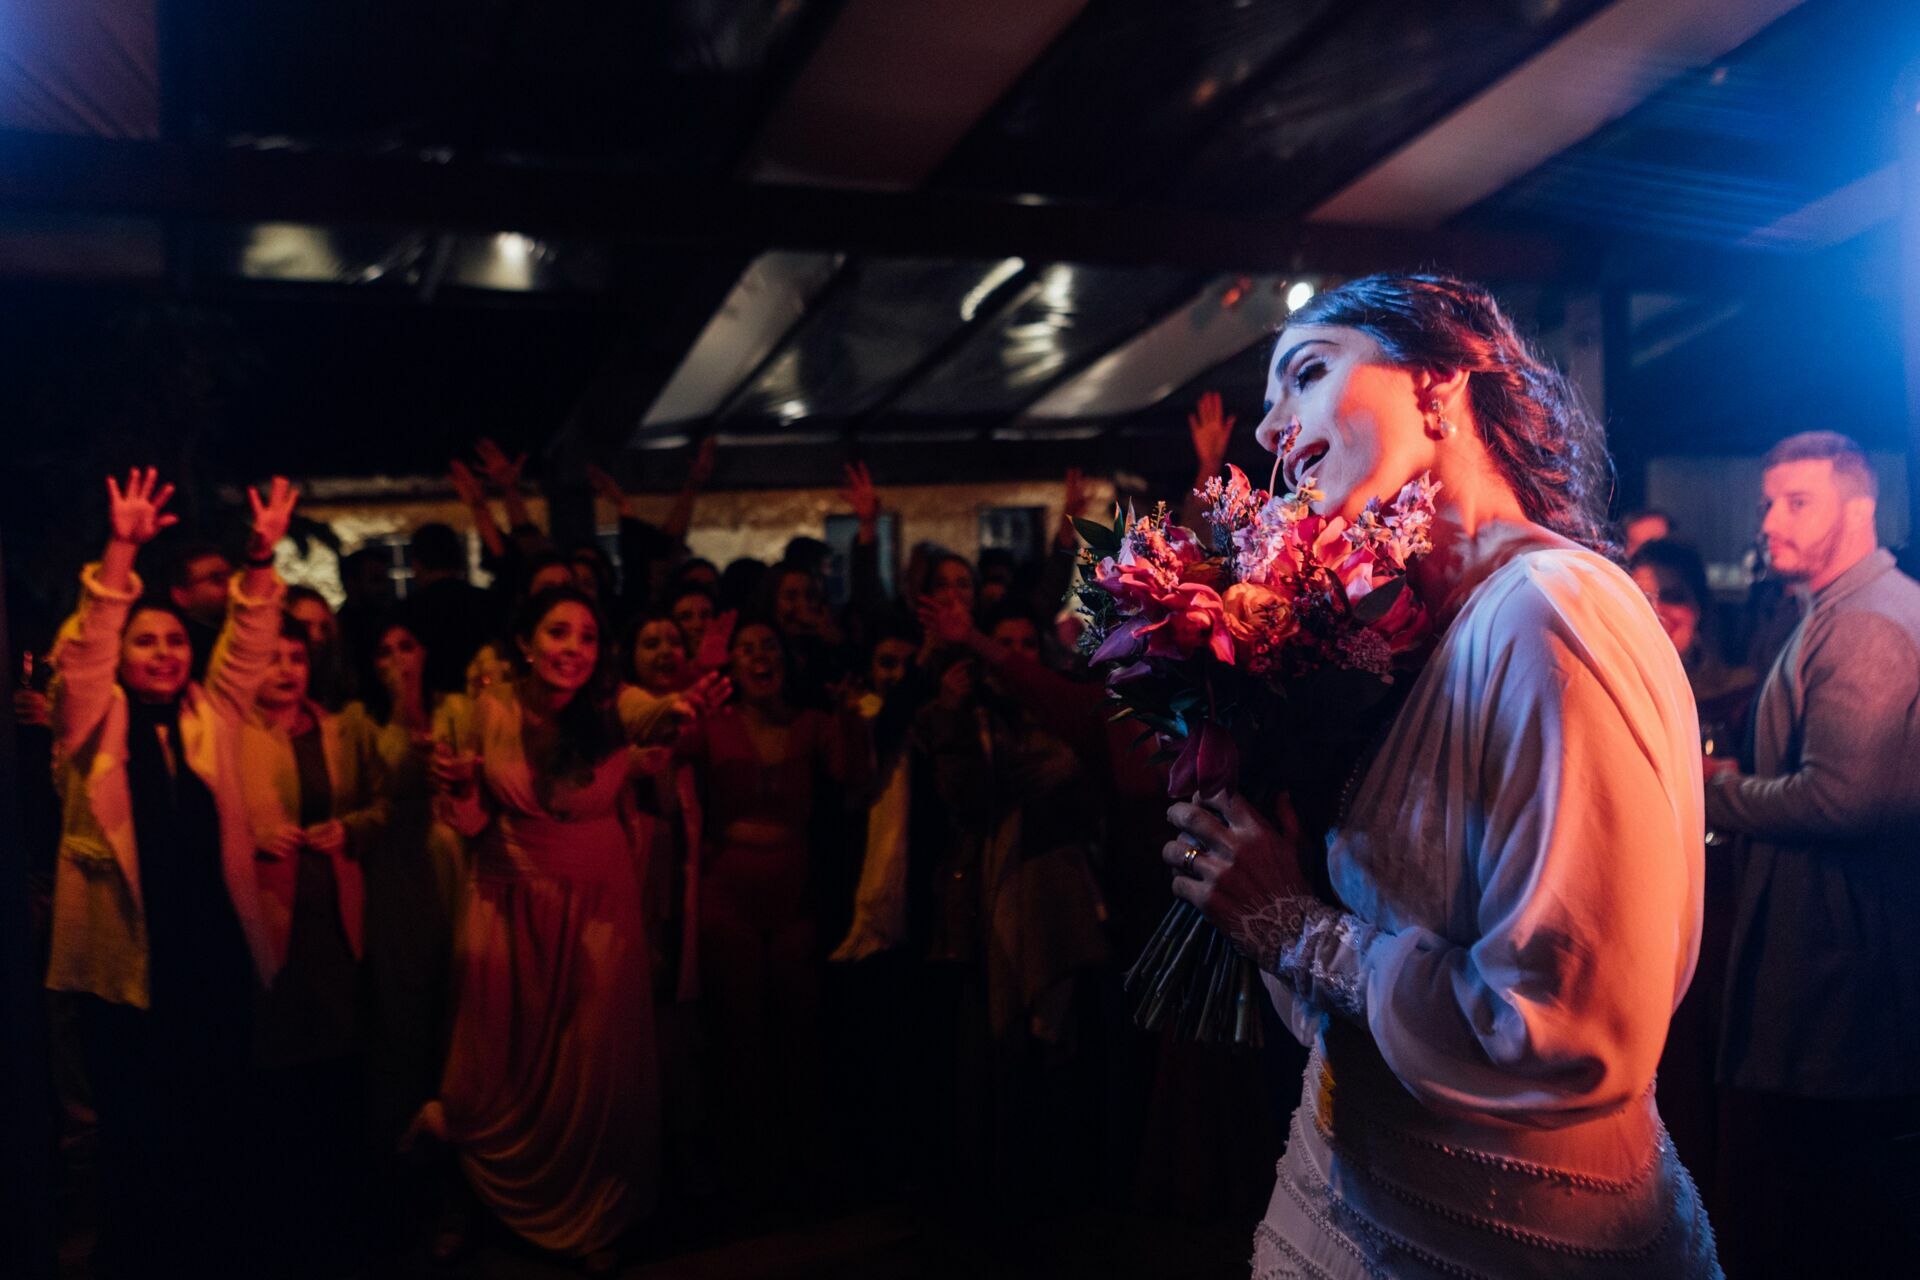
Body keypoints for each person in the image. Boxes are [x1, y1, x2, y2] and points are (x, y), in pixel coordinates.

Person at [1162, 275, 1718, 1277]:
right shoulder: (1433, 631)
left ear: (1438, 385)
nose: (1270, 428)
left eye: (1309, 372)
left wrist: (1295, 923)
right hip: (1369, 1199)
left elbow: (1576, 1025)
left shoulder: (1551, 611)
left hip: (1508, 1236)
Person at [415, 587, 725, 1271]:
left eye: (587, 638)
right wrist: (461, 788)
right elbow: (466, 824)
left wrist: (681, 708)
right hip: (507, 901)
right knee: (496, 1061)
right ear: (526, 643)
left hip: (597, 908)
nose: (574, 650)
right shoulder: (482, 711)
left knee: (593, 1064)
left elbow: (657, 720)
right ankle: (469, 1199)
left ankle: (595, 1213)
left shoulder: (617, 704)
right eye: (559, 633)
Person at [47, 470, 299, 1277]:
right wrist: (122, 550)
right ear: (121, 652)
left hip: (210, 956)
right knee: (137, 1126)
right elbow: (84, 655)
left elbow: (252, 641)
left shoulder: (211, 716)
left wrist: (261, 558)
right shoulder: (90, 722)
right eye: (144, 641)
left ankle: (221, 1250)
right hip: (128, 969)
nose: (162, 653)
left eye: (173, 640)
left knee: (217, 1116)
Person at [1701, 431, 1920, 1277]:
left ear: (1859, 509)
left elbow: (1844, 798)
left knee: (1834, 1224)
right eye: (1767, 504)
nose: (1772, 522)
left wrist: (1712, 786)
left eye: (1799, 503)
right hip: (1840, 977)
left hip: (1846, 983)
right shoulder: (1838, 608)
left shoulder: (1865, 620)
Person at [237, 612, 389, 1274]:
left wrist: (350, 829)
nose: (285, 671)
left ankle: (341, 1222)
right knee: (278, 1069)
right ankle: (286, 1226)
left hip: (335, 919)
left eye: (295, 658)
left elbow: (382, 807)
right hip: (272, 921)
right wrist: (251, 840)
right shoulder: (229, 734)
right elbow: (211, 823)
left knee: (339, 1064)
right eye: (271, 659)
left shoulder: (336, 729)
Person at [407, 522, 497, 697]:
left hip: (429, 702)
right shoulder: (488, 603)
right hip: (483, 699)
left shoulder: (407, 612)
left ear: (417, 564)